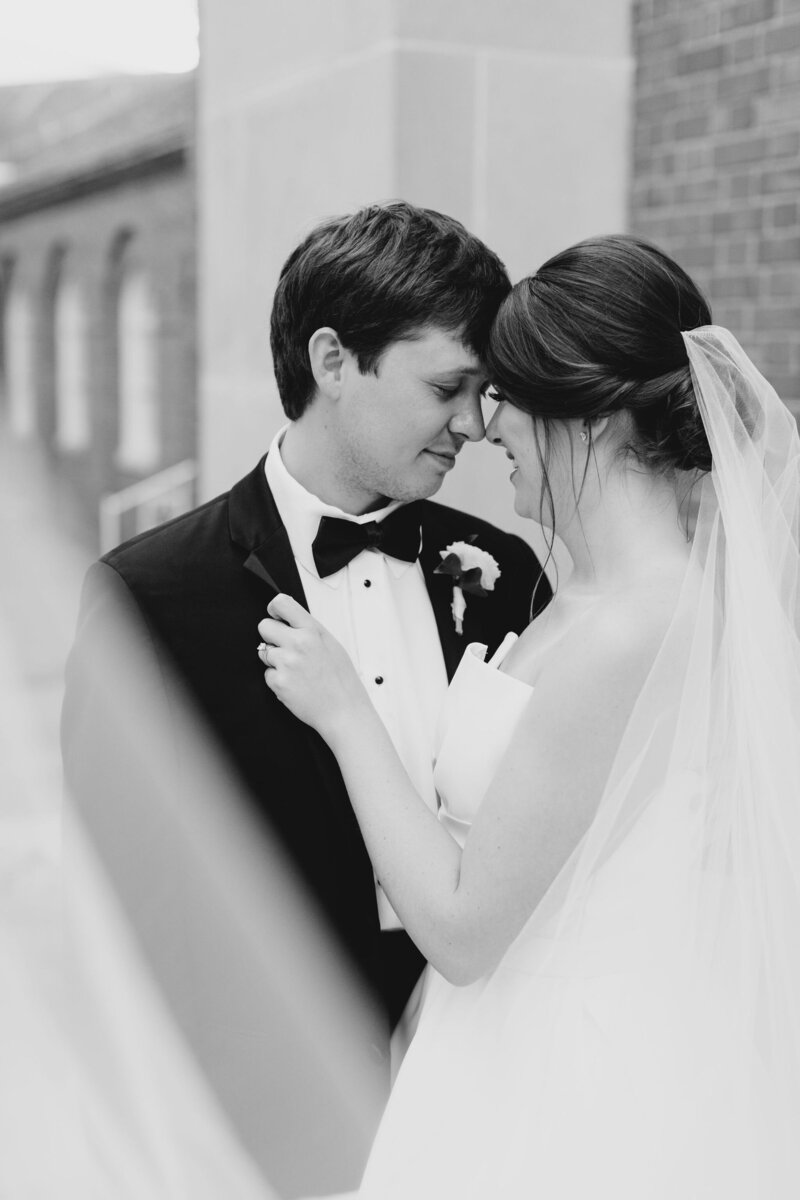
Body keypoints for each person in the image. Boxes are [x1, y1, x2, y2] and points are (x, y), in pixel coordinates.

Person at [257, 234, 800, 1198]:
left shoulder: (634, 627)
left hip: (570, 1089)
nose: (483, 425)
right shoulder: (581, 598)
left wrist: (347, 714)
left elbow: (465, 933)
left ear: (581, 416)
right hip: (502, 1049)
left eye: (503, 394)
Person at [61, 201, 548, 1086]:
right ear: (332, 361)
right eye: (447, 389)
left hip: (487, 1066)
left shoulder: (505, 573)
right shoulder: (148, 597)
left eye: (484, 396)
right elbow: (116, 901)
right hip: (262, 1094)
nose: (474, 426)